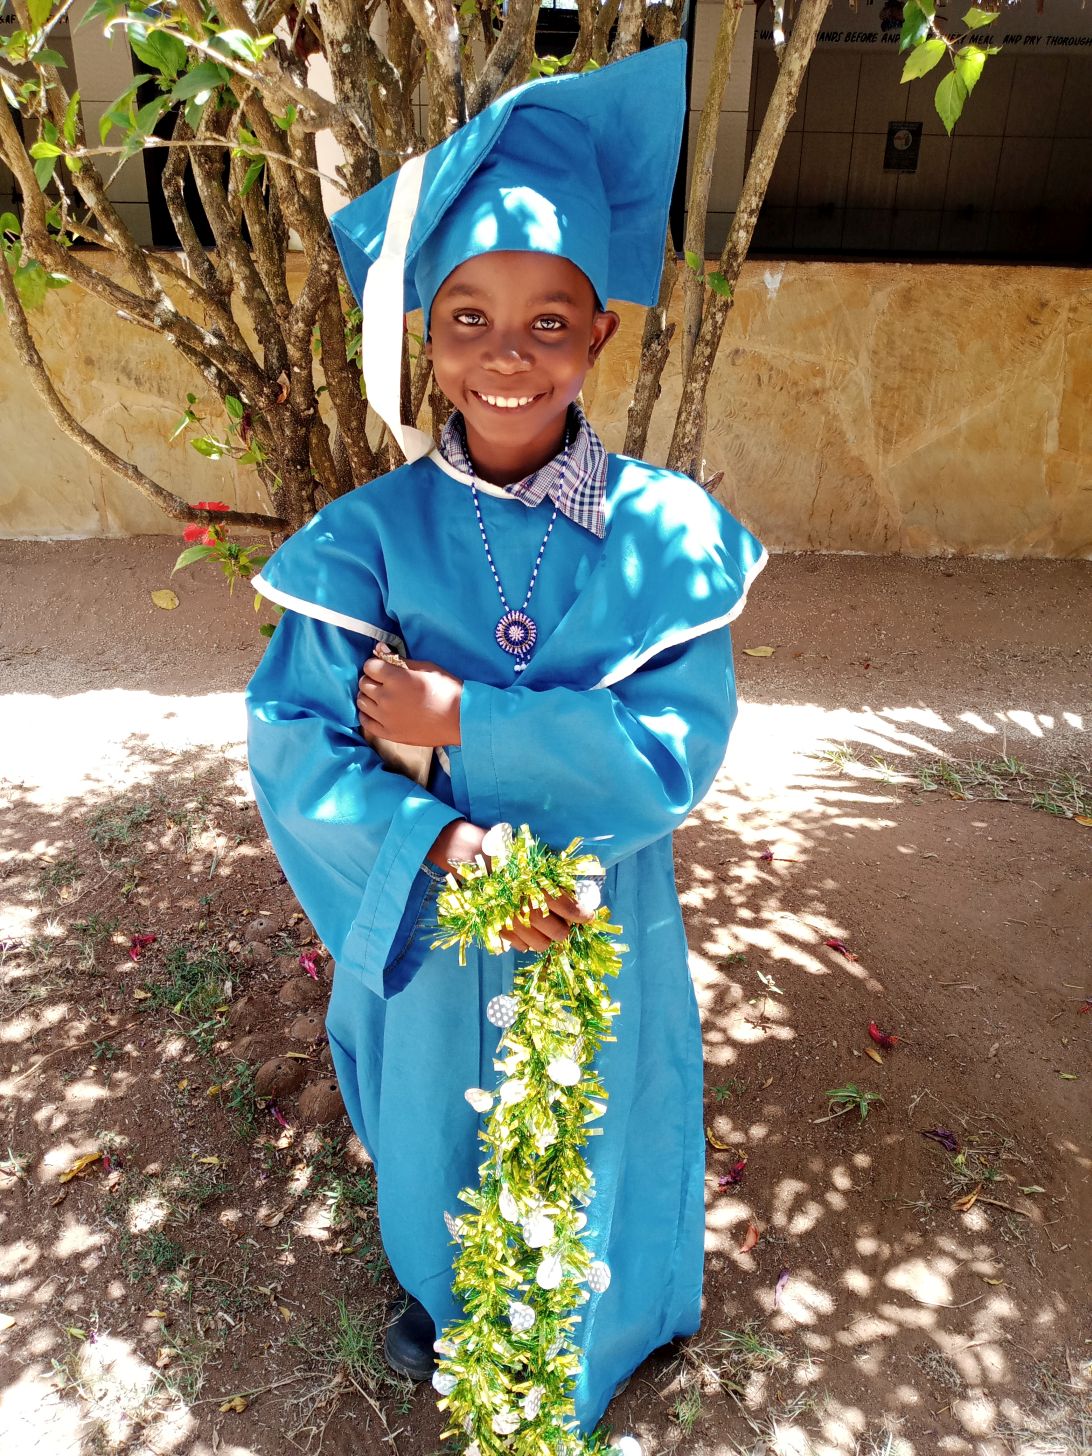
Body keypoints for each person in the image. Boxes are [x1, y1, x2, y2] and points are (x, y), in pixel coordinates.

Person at [245, 40, 766, 1439]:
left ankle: (615, 1322)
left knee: (603, 1115)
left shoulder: (664, 533)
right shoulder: (369, 540)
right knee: (443, 1123)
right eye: (468, 316)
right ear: (430, 339)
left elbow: (672, 749)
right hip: (441, 914)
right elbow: (296, 743)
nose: (507, 355)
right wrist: (449, 847)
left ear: (600, 338)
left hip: (606, 913)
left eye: (549, 321)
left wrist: (462, 718)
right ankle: (451, 1301)